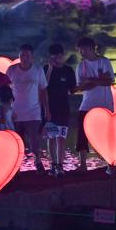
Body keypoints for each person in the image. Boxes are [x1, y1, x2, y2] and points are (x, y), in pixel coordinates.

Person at [7, 44, 50, 174]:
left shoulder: (37, 70)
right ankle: (16, 167)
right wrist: (7, 109)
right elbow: (6, 90)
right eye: (22, 55)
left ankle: (38, 162)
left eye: (27, 55)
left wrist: (47, 109)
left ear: (32, 57)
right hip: (15, 112)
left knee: (34, 140)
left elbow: (43, 90)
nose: (24, 57)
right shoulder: (12, 70)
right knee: (17, 141)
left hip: (33, 112)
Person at [75, 36, 115, 173]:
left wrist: (90, 80)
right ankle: (83, 164)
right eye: (80, 50)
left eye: (83, 50)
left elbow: (109, 81)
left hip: (104, 104)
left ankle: (110, 163)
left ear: (91, 48)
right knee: (82, 133)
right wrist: (98, 80)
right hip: (87, 104)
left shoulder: (104, 62)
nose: (81, 53)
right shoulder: (81, 66)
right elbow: (81, 87)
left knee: (106, 135)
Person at [44, 43, 76, 176]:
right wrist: (50, 69)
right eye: (54, 56)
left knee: (61, 138)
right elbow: (43, 86)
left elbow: (72, 89)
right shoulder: (46, 69)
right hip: (50, 109)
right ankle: (53, 164)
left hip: (63, 109)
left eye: (59, 56)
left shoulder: (68, 71)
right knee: (51, 137)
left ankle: (60, 165)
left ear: (62, 55)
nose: (57, 58)